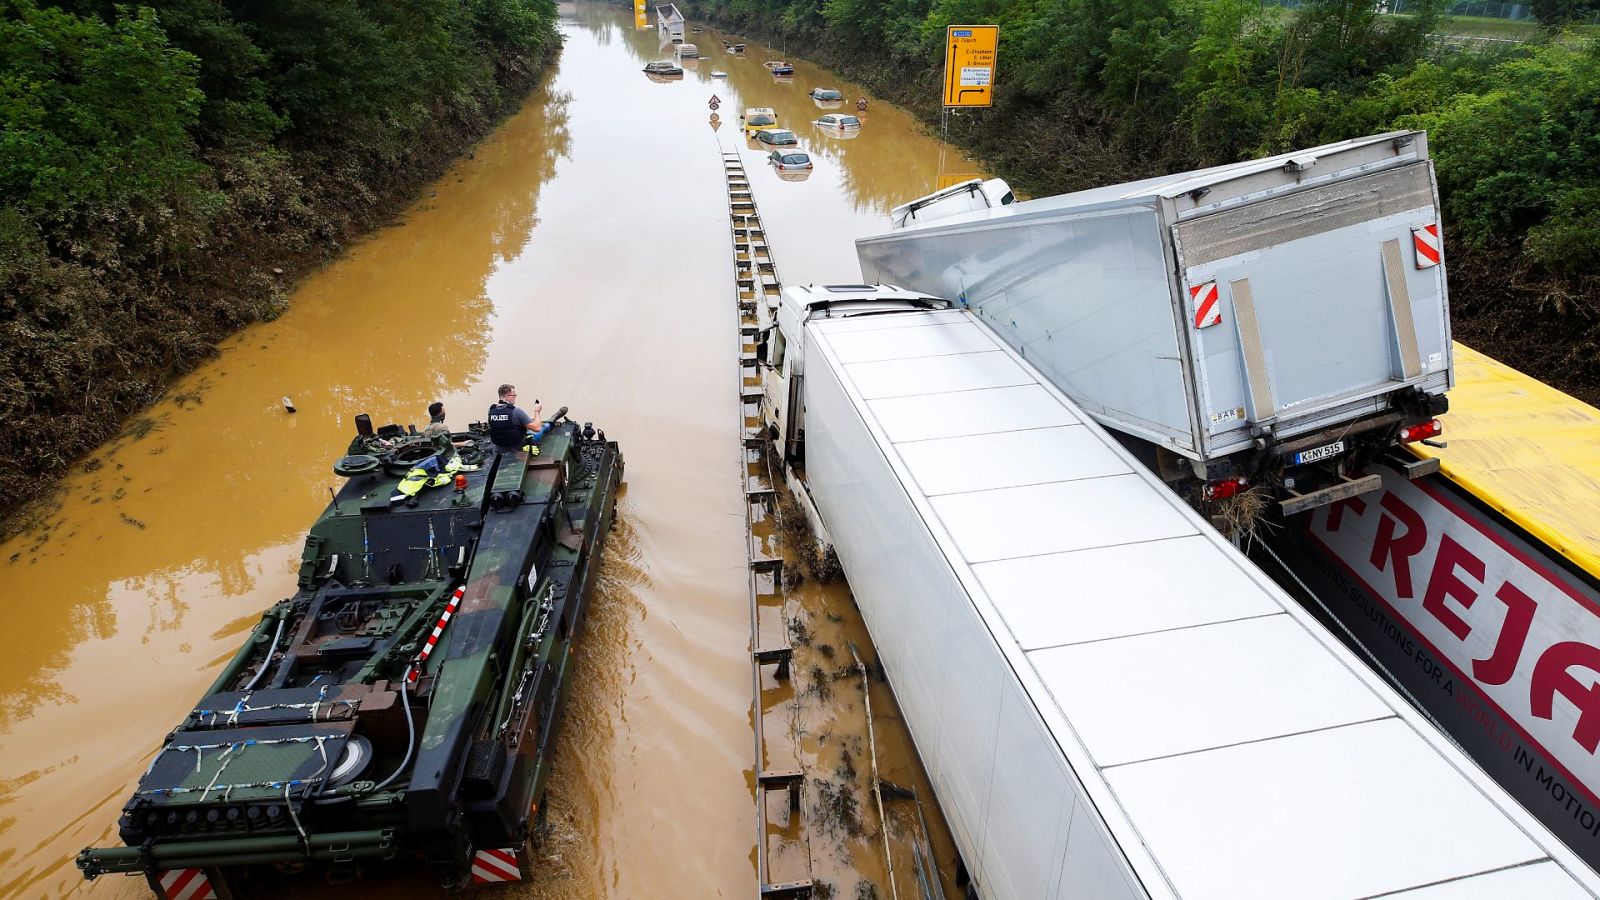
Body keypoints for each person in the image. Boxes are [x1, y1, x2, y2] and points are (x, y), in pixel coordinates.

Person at [487, 384, 546, 452]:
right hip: (516, 447)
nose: (515, 397)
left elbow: (504, 422)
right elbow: (537, 428)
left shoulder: (491, 410)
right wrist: (537, 410)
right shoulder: (516, 411)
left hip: (499, 446)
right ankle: (551, 423)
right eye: (514, 395)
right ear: (508, 397)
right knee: (543, 428)